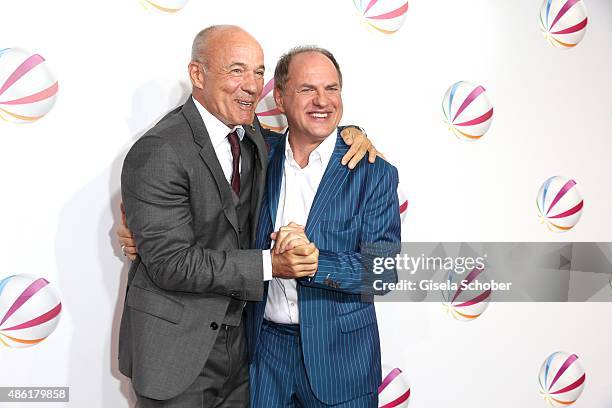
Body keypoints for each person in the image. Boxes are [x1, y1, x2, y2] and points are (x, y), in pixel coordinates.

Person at [118, 25, 377, 407]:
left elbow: (383, 269)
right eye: (236, 70)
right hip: (179, 351)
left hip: (244, 354)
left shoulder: (253, 134)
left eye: (258, 72)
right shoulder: (159, 150)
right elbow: (171, 263)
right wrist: (274, 264)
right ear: (197, 74)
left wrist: (352, 132)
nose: (252, 85)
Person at [244, 46, 400, 407]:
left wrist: (316, 263)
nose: (322, 101)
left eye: (332, 89)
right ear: (279, 97)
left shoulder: (373, 173)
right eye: (307, 89)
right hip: (264, 353)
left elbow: (384, 271)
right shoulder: (257, 155)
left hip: (341, 359)